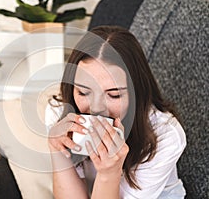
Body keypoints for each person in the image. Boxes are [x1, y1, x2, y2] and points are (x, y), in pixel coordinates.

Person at [46, 26, 186, 198]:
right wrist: (58, 151)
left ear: (136, 92)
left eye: (114, 95)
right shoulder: (59, 112)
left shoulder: (165, 135)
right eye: (83, 92)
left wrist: (109, 173)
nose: (96, 108)